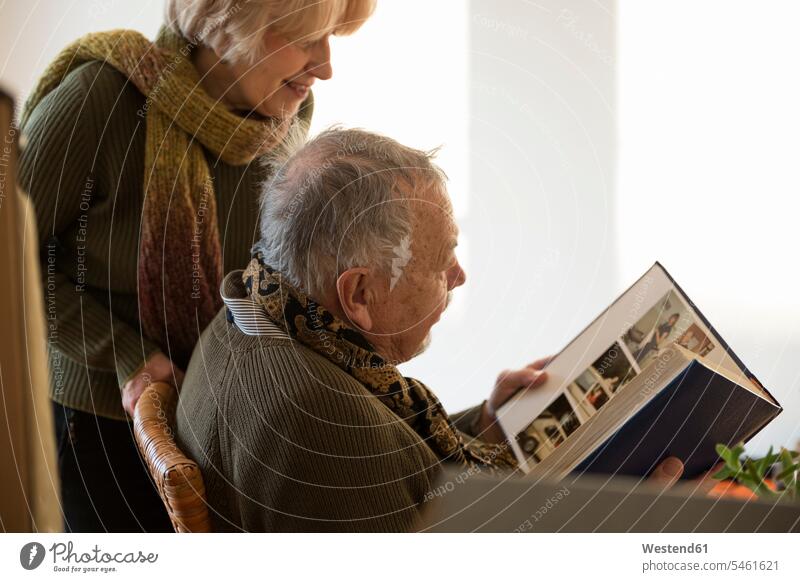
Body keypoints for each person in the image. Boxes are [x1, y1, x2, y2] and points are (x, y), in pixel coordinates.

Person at [175, 127, 687, 532]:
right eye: (442, 263)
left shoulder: (249, 309)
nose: (459, 277)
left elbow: (399, 477)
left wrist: (485, 427)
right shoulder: (322, 426)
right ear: (358, 295)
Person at [19, 0, 375, 532]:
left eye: (332, 38)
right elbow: (12, 267)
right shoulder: (99, 99)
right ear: (228, 24)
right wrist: (129, 356)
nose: (325, 66)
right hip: (100, 427)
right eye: (304, 40)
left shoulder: (286, 113)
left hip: (217, 418)